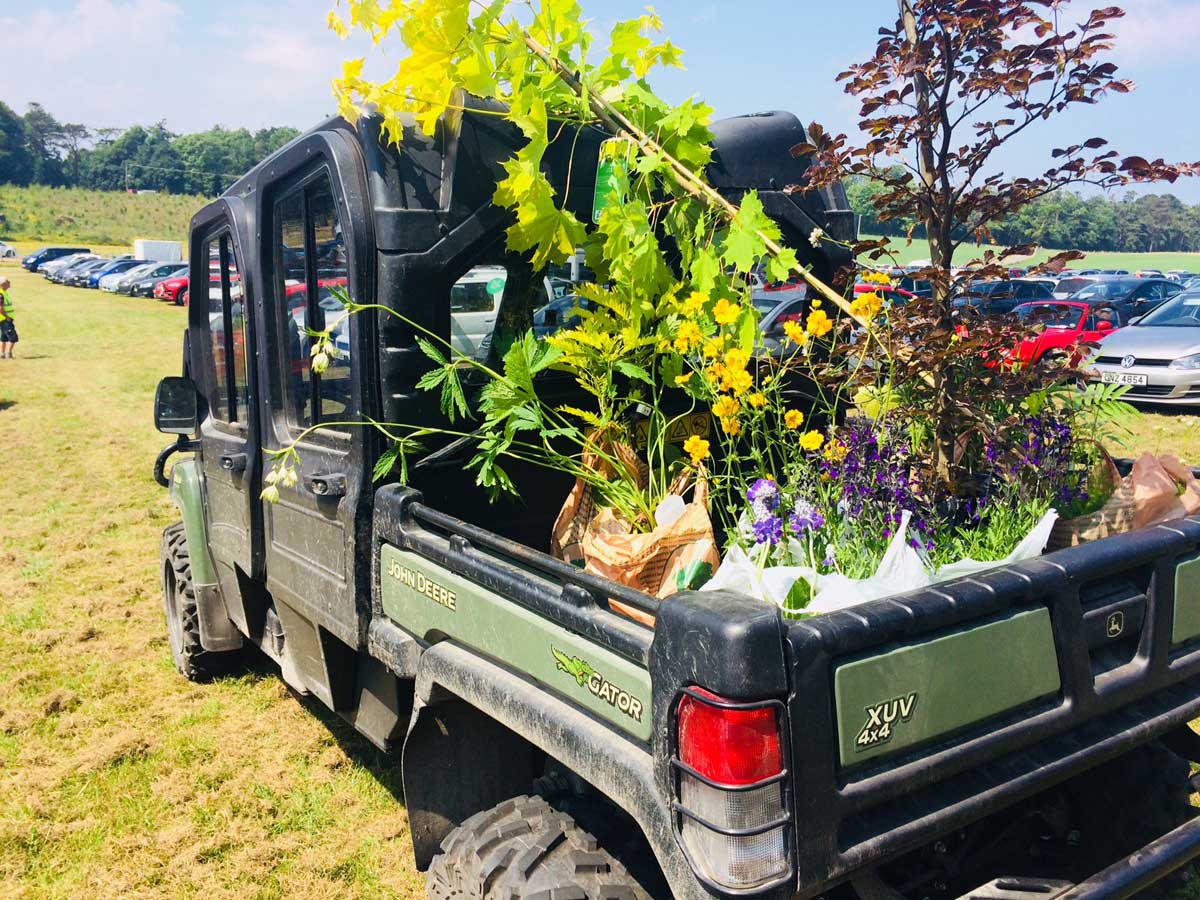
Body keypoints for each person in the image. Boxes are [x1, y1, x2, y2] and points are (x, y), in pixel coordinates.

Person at [0, 278, 16, 358]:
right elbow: (0, 309)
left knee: (4, 337)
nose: (9, 285)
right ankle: (9, 354)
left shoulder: (4, 293)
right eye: (8, 283)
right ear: (3, 284)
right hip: (5, 319)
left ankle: (2, 354)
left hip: (4, 319)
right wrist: (7, 318)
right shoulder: (1, 294)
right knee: (13, 337)